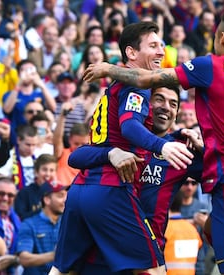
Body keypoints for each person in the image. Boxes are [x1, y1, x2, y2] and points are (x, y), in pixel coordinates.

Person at [83, 8, 224, 275]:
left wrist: (108, 68)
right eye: (159, 101)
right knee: (213, 229)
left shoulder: (211, 65)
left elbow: (146, 78)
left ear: (222, 37)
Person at [51, 22, 193, 275]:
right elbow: (129, 127)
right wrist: (164, 146)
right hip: (112, 191)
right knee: (155, 270)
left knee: (62, 270)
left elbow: (83, 154)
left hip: (81, 191)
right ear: (131, 53)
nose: (161, 52)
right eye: (153, 46)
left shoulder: (112, 90)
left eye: (161, 45)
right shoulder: (137, 87)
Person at [16, 180, 67, 274]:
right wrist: (55, 255)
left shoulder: (68, 223)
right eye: (60, 196)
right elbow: (24, 259)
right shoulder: (29, 224)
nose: (65, 200)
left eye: (66, 195)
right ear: (47, 200)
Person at [14, 154, 58, 220]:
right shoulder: (24, 193)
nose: (48, 174)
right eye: (44, 170)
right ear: (36, 172)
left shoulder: (59, 193)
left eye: (51, 170)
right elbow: (20, 218)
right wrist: (44, 211)